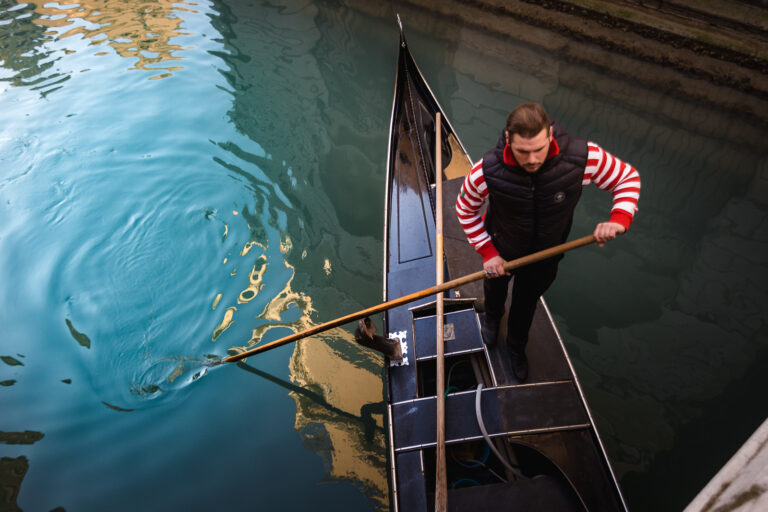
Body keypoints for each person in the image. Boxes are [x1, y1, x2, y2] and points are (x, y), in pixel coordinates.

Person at [455, 103, 640, 381]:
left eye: (539, 149)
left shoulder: (582, 158)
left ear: (550, 134)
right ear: (508, 140)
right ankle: (492, 319)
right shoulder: (486, 171)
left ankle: (515, 346)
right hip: (500, 248)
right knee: (495, 289)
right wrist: (488, 252)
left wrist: (619, 219)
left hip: (546, 254)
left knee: (526, 303)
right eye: (523, 151)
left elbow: (627, 178)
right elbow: (465, 209)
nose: (532, 159)